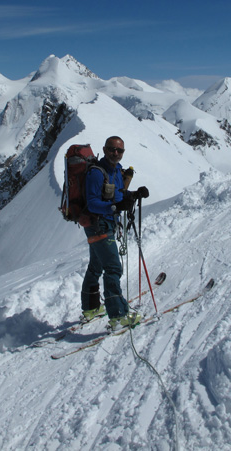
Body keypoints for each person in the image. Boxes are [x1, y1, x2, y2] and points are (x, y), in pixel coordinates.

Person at [81, 136, 150, 331]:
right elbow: (92, 203)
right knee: (112, 268)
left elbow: (119, 195)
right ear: (104, 149)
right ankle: (118, 316)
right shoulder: (96, 173)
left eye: (120, 151)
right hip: (98, 225)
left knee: (96, 266)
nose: (116, 153)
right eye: (112, 149)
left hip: (105, 223)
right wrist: (115, 207)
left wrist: (134, 194)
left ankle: (91, 308)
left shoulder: (116, 171)